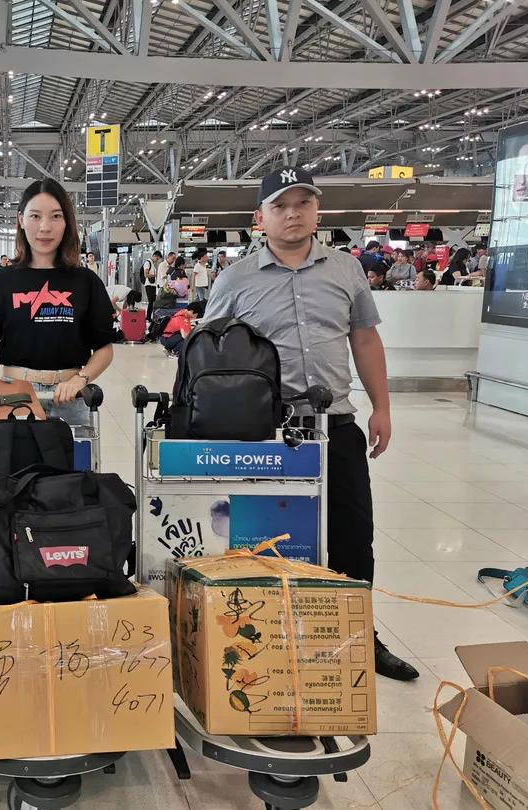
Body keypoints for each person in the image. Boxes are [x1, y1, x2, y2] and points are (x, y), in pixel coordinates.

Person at [204, 165, 418, 682]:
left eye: (303, 202)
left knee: (352, 535)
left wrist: (382, 407)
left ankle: (358, 637)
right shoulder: (235, 279)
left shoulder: (346, 270)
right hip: (263, 431)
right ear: (260, 217)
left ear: (318, 210)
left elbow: (364, 339)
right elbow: (210, 354)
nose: (293, 214)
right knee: (263, 537)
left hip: (335, 425)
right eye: (280, 205)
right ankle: (267, 638)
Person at [0, 178, 115, 424]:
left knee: (75, 451)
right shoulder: (1, 281)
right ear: (21, 219)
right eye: (35, 216)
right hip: (14, 398)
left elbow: (104, 348)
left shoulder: (86, 281)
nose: (45, 227)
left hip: (71, 400)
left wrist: (80, 379)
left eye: (56, 216)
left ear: (67, 222)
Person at [140, 250, 162, 321]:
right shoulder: (148, 263)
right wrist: (155, 275)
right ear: (154, 256)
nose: (157, 260)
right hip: (149, 285)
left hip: (152, 285)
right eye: (157, 259)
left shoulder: (152, 264)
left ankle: (150, 317)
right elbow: (146, 275)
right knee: (151, 302)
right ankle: (148, 317)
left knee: (153, 301)